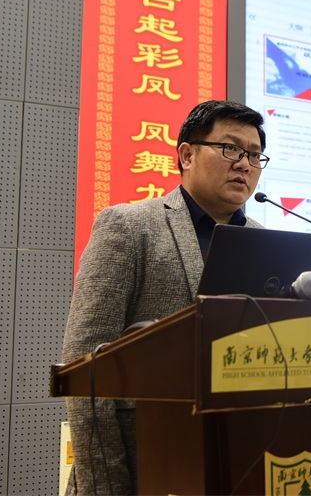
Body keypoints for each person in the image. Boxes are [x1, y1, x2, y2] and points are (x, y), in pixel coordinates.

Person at [61, 100, 269, 495]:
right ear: (187, 155)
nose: (244, 164)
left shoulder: (263, 240)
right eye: (230, 148)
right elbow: (85, 362)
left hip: (238, 462)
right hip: (143, 463)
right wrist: (105, 483)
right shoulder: (129, 226)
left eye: (255, 155)